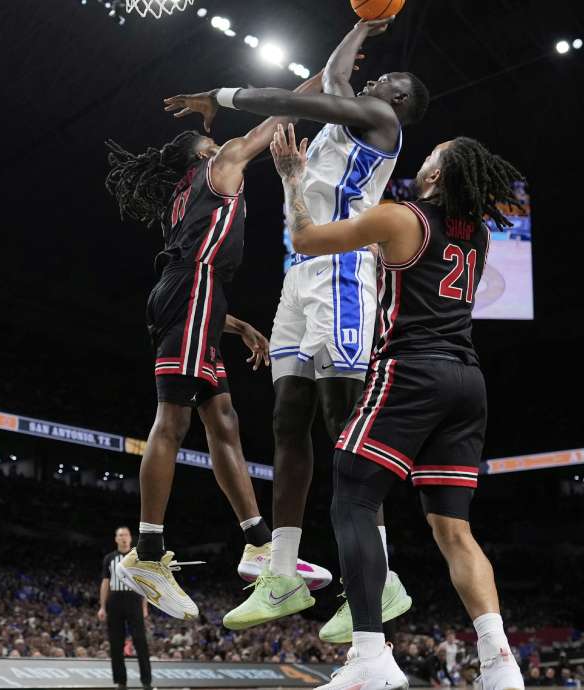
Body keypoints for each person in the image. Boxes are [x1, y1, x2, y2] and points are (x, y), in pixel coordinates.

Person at [162, 19, 429, 635]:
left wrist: (222, 97)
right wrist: (362, 24)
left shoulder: (382, 125)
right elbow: (335, 77)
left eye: (381, 80)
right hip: (300, 276)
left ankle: (382, 580)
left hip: (342, 276)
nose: (366, 79)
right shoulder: (349, 117)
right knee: (286, 422)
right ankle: (282, 573)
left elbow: (294, 100)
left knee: (342, 422)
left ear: (396, 102)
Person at [268, 126, 525, 690]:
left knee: (353, 495)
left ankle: (370, 656)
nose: (421, 161)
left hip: (413, 369)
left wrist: (292, 178)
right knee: (454, 529)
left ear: (433, 176)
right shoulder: (478, 235)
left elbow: (306, 240)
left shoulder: (402, 217)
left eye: (429, 158)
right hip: (468, 380)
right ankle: (500, 663)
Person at [104, 72, 329, 620]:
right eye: (219, 140)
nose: (228, 141)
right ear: (204, 152)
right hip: (193, 295)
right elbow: (281, 113)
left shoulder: (187, 196)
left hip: (198, 298)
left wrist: (239, 325)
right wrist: (330, 74)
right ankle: (147, 556)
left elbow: (195, 275)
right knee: (173, 422)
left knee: (222, 419)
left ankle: (259, 543)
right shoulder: (220, 163)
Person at [98, 527, 151, 690]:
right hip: (114, 599)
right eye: (120, 535)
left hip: (134, 598)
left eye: (126, 535)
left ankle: (146, 681)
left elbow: (144, 583)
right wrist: (102, 607)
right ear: (116, 539)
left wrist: (144, 605)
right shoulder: (109, 558)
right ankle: (121, 682)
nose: (123, 538)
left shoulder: (138, 557)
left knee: (140, 640)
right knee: (115, 642)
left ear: (130, 538)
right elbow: (105, 583)